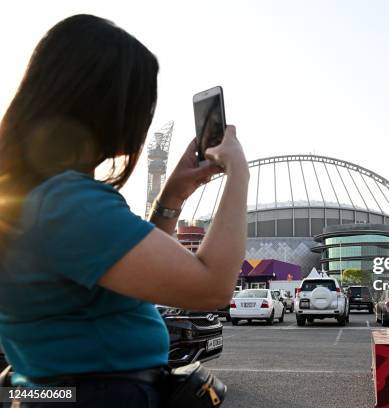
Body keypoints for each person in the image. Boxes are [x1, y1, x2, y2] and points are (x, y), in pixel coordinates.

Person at [0, 14, 249, 407]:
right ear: (109, 106)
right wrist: (238, 171)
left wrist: (173, 196)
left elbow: (132, 269)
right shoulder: (69, 203)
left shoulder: (34, 196)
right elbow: (212, 287)